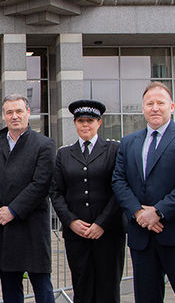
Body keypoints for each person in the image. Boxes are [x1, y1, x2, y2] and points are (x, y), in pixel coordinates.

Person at [111, 81, 175, 303]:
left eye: (160, 103)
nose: (155, 108)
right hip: (142, 236)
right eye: (149, 103)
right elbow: (118, 180)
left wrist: (158, 212)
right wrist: (139, 213)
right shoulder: (128, 142)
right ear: (143, 108)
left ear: (171, 106)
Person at [0, 94, 56, 303]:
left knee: (42, 288)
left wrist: (13, 210)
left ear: (28, 113)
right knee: (10, 289)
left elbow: (41, 184)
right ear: (4, 116)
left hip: (33, 228)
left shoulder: (44, 145)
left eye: (19, 111)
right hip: (5, 229)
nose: (14, 116)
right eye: (9, 112)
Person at [50, 100, 124, 303]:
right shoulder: (64, 154)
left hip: (108, 234)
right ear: (75, 123)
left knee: (108, 289)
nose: (85, 125)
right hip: (77, 235)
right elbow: (56, 192)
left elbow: (119, 190)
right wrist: (71, 221)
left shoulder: (113, 149)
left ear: (99, 123)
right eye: (80, 121)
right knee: (82, 288)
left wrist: (102, 223)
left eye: (90, 121)